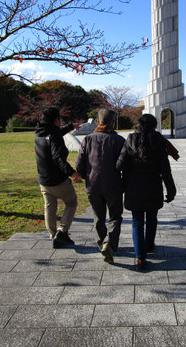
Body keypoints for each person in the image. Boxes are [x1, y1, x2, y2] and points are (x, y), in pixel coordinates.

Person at [117, 114, 176, 270]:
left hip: (134, 186)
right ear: (155, 125)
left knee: (137, 222)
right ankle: (149, 245)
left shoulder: (130, 139)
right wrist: (171, 189)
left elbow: (120, 164)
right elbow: (165, 169)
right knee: (151, 218)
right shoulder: (158, 140)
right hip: (153, 186)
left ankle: (140, 257)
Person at [75, 109, 125, 264]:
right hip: (113, 184)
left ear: (98, 121)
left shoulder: (88, 139)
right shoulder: (119, 140)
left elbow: (79, 164)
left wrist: (85, 176)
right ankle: (110, 243)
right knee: (115, 216)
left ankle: (102, 242)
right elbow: (124, 164)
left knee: (98, 217)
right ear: (113, 122)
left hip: (93, 184)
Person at [35, 107, 83, 248]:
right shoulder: (54, 136)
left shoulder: (40, 133)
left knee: (49, 207)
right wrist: (72, 173)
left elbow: (56, 133)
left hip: (43, 180)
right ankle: (62, 232)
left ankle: (53, 234)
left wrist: (70, 127)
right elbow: (58, 158)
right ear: (56, 120)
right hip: (57, 180)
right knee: (72, 202)